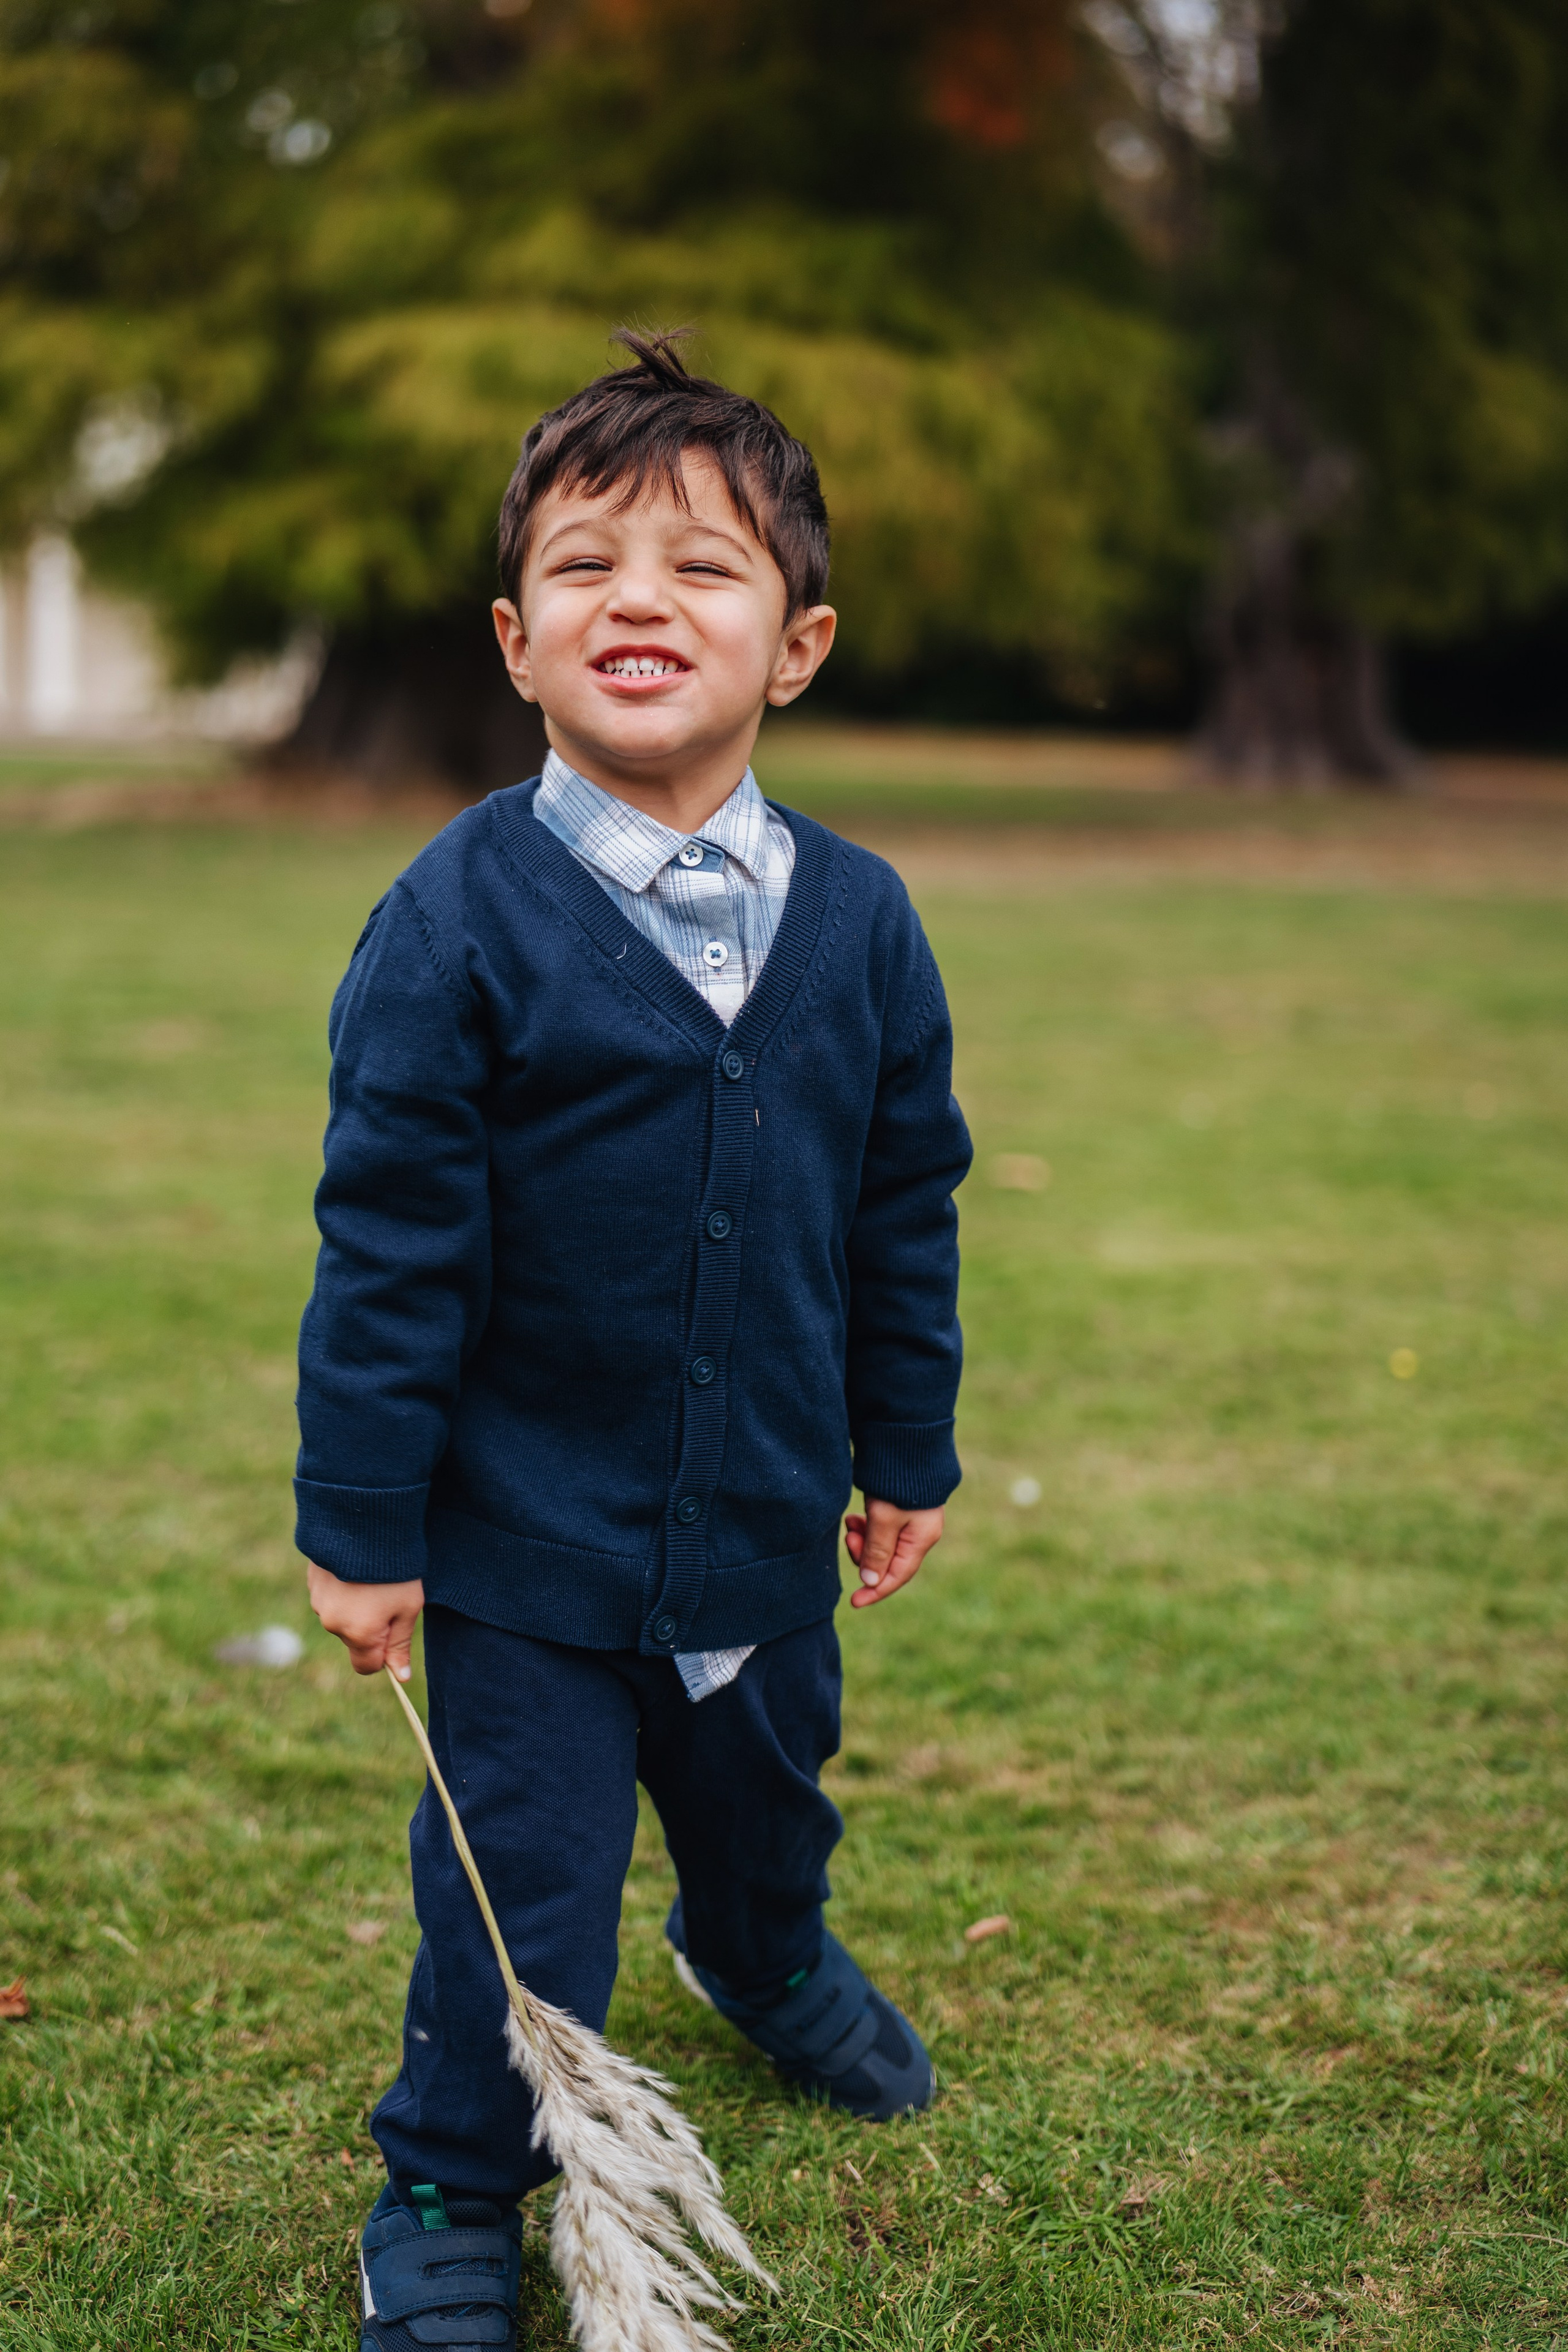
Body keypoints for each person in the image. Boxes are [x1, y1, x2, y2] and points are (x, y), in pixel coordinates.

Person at [298, 328, 971, 2352]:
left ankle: (762, 1959)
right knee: (517, 1887)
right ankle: (448, 2175)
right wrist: (361, 1524)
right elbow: (388, 1250)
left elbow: (900, 1208)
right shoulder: (455, 922)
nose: (638, 598)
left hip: (761, 1519)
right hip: (523, 1548)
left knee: (769, 1803)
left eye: (702, 565)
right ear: (518, 644)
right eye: (584, 566)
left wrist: (907, 1446)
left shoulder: (863, 922)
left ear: (799, 646)